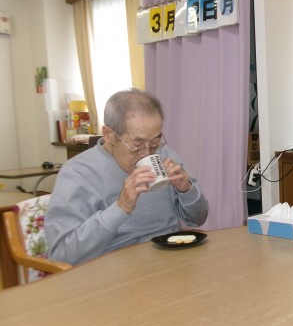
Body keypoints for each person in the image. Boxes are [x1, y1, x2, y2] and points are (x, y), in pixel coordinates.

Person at [46, 89, 209, 265]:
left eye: (155, 142)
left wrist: (187, 190)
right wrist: (120, 208)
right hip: (113, 268)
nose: (147, 154)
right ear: (109, 135)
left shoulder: (166, 155)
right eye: (137, 145)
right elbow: (62, 255)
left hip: (170, 259)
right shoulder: (78, 173)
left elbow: (197, 219)